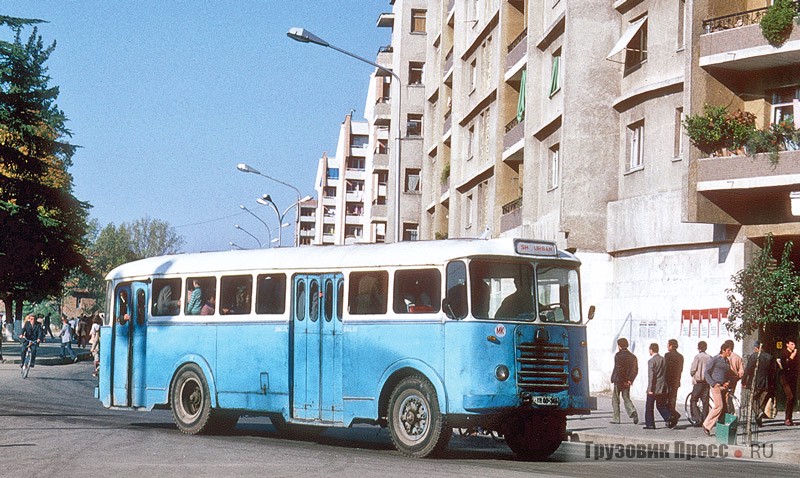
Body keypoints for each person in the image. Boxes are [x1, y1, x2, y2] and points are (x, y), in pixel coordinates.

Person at [702, 342, 735, 435]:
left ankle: (722, 429)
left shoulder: (727, 361)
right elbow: (706, 372)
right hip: (716, 386)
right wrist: (712, 383)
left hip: (723, 386)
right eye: (728, 350)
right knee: (718, 406)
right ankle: (706, 425)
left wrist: (727, 381)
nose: (730, 352)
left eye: (731, 350)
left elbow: (728, 373)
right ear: (723, 350)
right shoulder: (715, 359)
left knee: (724, 407)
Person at [742, 341, 775, 426]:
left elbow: (748, 370)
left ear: (756, 348)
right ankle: (759, 419)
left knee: (753, 400)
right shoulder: (770, 357)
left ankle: (759, 413)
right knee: (761, 401)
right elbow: (773, 372)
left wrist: (743, 380)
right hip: (766, 383)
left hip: (755, 383)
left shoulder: (753, 357)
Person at [610, 337, 639, 424]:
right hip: (627, 382)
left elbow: (619, 369)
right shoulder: (633, 357)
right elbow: (635, 370)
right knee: (626, 397)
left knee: (615, 399)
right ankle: (632, 411)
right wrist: (630, 380)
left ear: (619, 346)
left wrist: (624, 380)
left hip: (619, 380)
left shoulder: (618, 355)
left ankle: (616, 418)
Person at [643, 343, 672, 429]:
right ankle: (668, 416)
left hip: (654, 387)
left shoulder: (651, 361)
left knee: (649, 407)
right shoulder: (663, 359)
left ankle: (650, 424)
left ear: (651, 350)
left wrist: (650, 388)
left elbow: (651, 376)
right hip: (663, 386)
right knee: (661, 405)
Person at [688, 341, 712, 426]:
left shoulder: (697, 357)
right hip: (706, 382)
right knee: (705, 401)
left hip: (698, 382)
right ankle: (705, 419)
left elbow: (693, 369)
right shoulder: (709, 357)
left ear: (698, 348)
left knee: (693, 399)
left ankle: (697, 418)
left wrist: (692, 374)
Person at [778, 338, 798, 426]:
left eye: (794, 344)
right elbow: (785, 365)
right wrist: (791, 357)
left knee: (792, 398)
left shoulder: (796, 354)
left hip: (793, 378)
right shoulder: (784, 353)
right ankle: (787, 418)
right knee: (790, 396)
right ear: (787, 344)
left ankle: (789, 418)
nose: (794, 346)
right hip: (785, 378)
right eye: (792, 344)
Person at [664, 338, 683, 427]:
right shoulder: (680, 356)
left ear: (671, 345)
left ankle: (674, 415)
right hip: (676, 381)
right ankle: (672, 417)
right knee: (672, 401)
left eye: (668, 344)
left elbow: (666, 369)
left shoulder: (667, 355)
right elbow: (680, 370)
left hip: (668, 381)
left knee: (665, 401)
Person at [724, 339, 744, 412]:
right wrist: (737, 377)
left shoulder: (724, 356)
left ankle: (727, 413)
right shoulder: (737, 357)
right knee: (730, 397)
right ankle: (731, 412)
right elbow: (741, 371)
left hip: (725, 380)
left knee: (724, 397)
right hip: (734, 380)